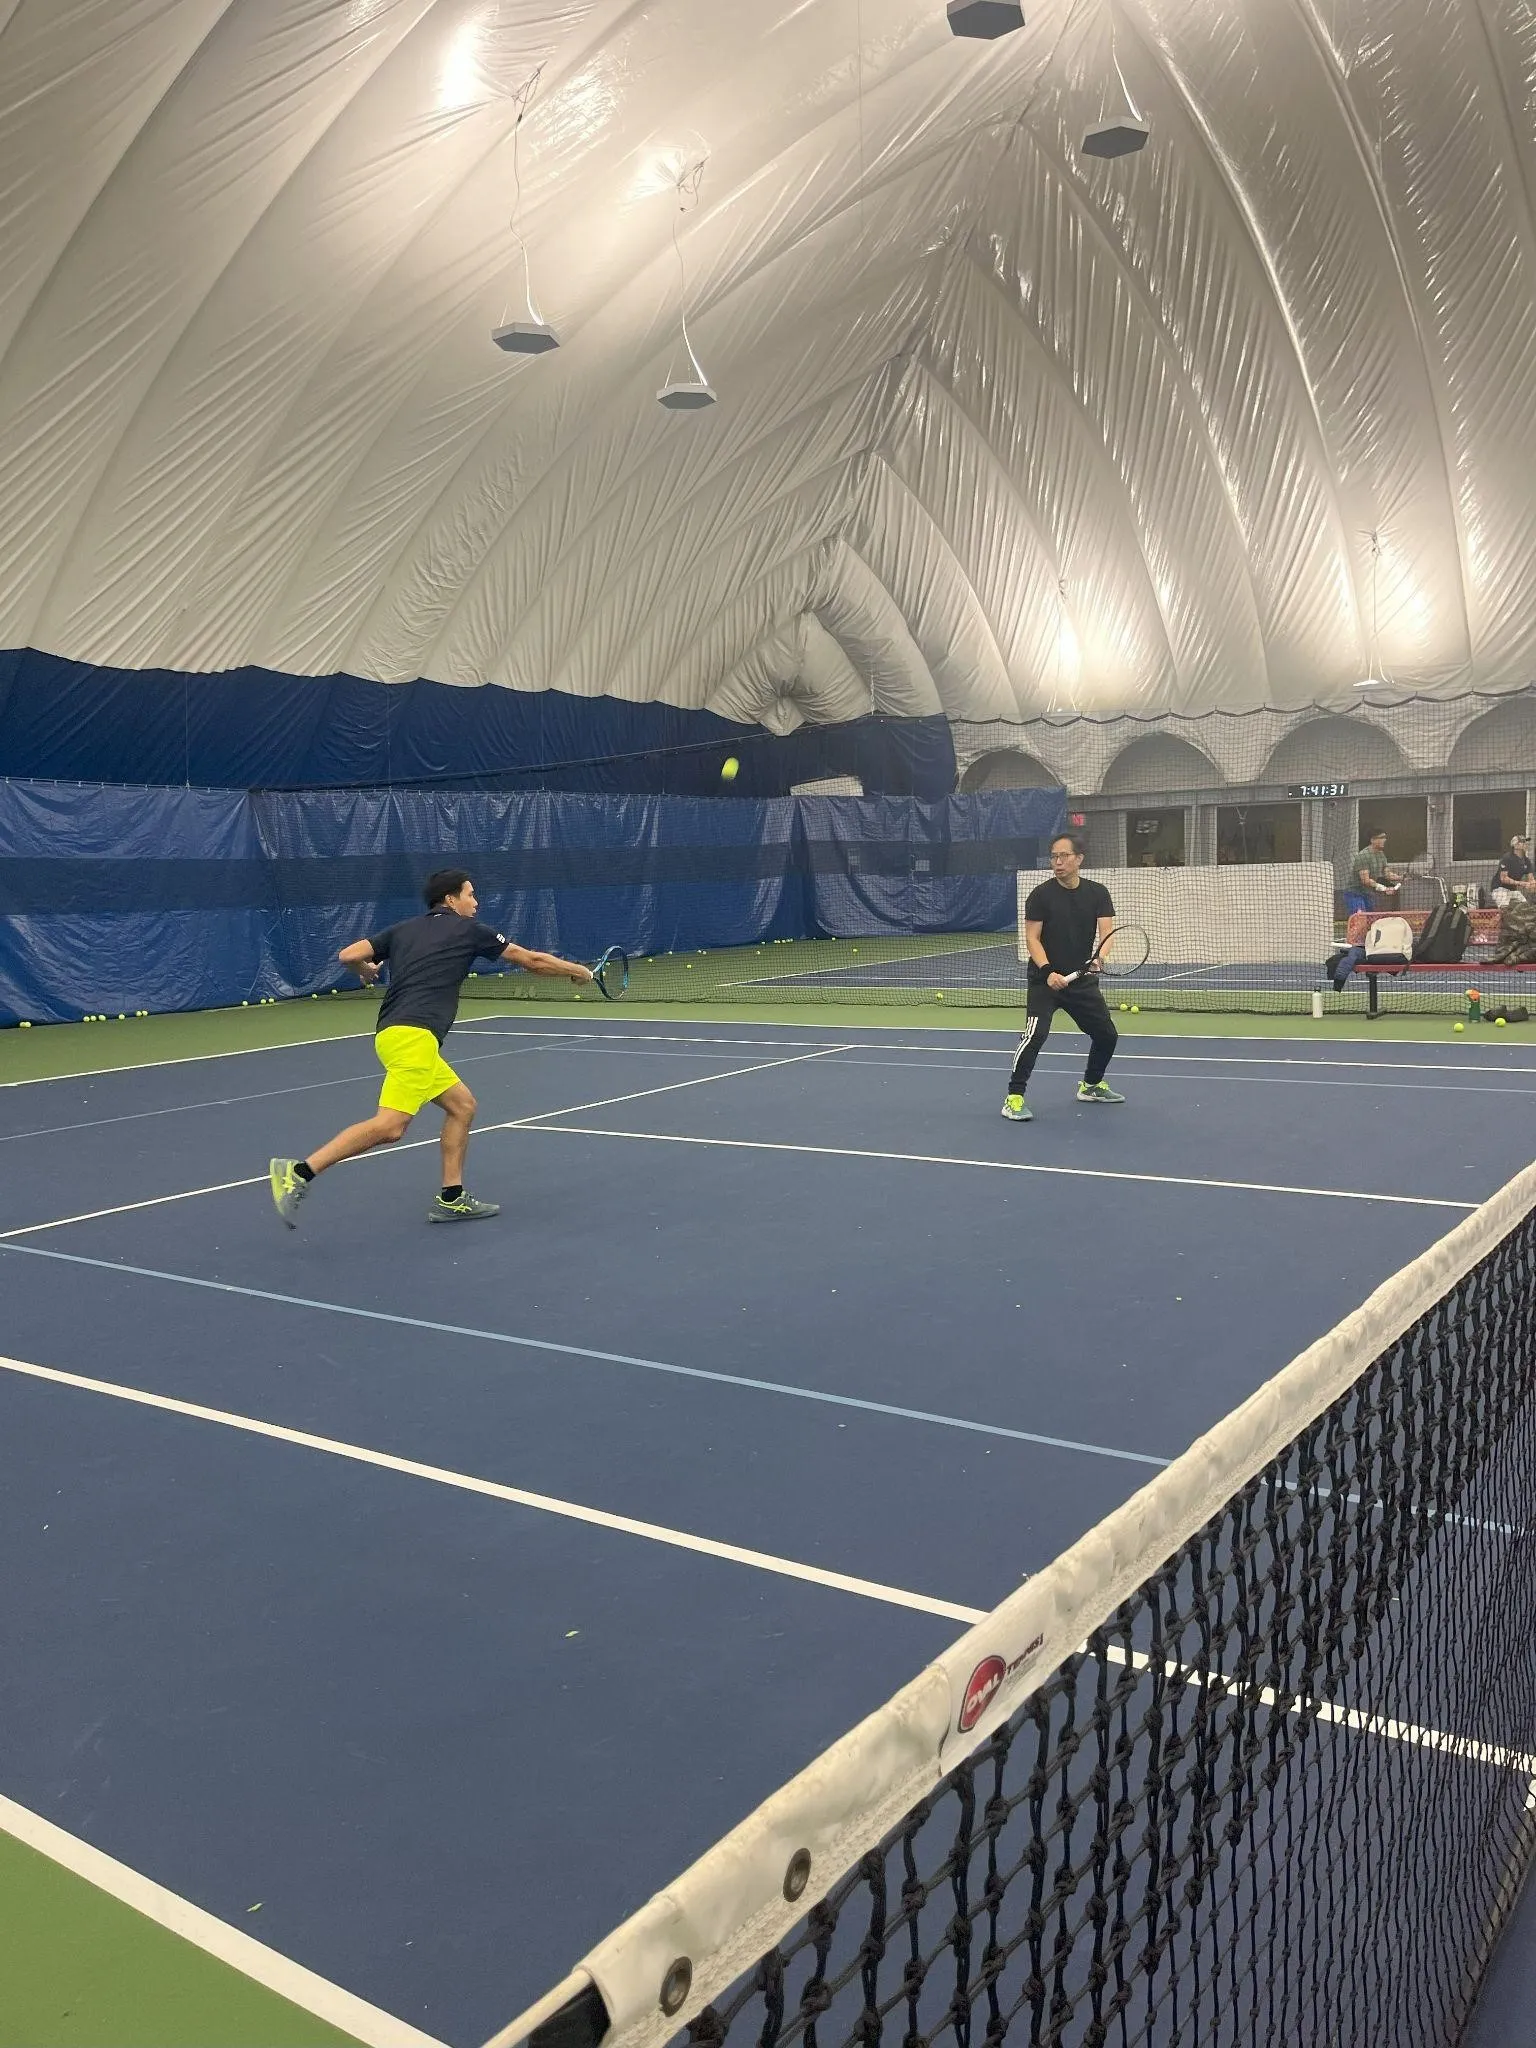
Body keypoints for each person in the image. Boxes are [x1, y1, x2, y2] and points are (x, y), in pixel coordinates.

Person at [269, 869, 593, 1228]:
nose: (476, 901)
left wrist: (365, 970)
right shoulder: (471, 931)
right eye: (470, 894)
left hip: (392, 1033)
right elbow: (531, 960)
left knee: (462, 1105)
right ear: (451, 899)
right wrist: (576, 971)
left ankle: (451, 1199)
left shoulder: (403, 929)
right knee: (391, 1126)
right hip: (414, 1037)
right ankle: (299, 1171)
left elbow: (348, 954)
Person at [1002, 833, 1124, 1122]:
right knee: (1035, 1036)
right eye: (1054, 857)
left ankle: (1091, 1085)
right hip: (1044, 982)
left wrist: (1099, 958)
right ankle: (1014, 1098)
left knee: (1107, 1036)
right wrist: (1048, 972)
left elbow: (1107, 933)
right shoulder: (1041, 895)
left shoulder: (1097, 893)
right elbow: (1032, 939)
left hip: (1080, 982)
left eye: (1064, 856)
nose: (1057, 862)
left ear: (1079, 859)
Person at [1345, 830, 1403, 916]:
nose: (1384, 840)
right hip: (1355, 894)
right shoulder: (1363, 856)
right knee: (1359, 919)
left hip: (1368, 893)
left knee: (1370, 919)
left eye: (1384, 838)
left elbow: (1387, 874)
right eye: (1381, 838)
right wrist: (1384, 888)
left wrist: (1401, 877)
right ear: (1372, 840)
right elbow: (1365, 880)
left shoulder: (1381, 855)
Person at [1490, 834, 1534, 908]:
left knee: (1525, 907)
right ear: (1515, 846)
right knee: (1505, 909)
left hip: (1512, 890)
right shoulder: (1507, 858)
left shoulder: (1527, 861)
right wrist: (1522, 883)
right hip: (1499, 889)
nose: (1526, 844)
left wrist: (1532, 885)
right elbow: (1504, 879)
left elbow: (1531, 879)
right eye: (1523, 842)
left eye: (1526, 842)